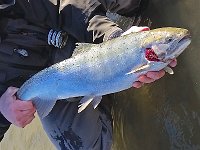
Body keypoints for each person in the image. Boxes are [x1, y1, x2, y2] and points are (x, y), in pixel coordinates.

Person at [0, 0, 177, 149]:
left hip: (76, 20)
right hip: (49, 86)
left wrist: (114, 37)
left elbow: (68, 4)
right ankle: (102, 96)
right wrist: (2, 109)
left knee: (131, 3)